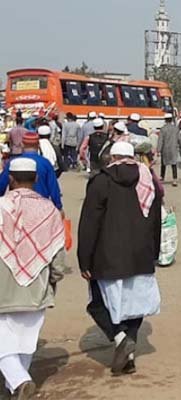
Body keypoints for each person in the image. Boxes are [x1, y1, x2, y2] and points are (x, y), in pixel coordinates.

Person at [78, 141, 162, 376]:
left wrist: (84, 259)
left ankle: (120, 338)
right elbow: (156, 219)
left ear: (112, 157)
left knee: (98, 303)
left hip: (107, 255)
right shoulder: (148, 180)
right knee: (135, 306)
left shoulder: (101, 181)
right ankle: (128, 354)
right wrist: (154, 252)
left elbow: (89, 223)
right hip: (140, 253)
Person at [0, 158, 65, 400]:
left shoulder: (1, 206)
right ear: (36, 179)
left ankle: (19, 381)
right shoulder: (49, 210)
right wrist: (54, 278)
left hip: (3, 285)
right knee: (26, 340)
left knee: (4, 339)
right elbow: (58, 252)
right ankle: (16, 387)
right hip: (37, 283)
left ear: (11, 178)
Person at [0, 132, 63, 211]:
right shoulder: (45, 163)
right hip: (41, 207)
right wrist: (58, 206)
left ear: (22, 144)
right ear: (38, 145)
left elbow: (1, 185)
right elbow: (53, 187)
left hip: (17, 207)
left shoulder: (13, 163)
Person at [157, 113, 181, 187]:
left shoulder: (163, 129)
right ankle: (174, 179)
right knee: (174, 164)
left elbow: (160, 140)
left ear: (165, 120)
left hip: (165, 148)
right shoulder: (175, 128)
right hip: (174, 148)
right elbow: (179, 138)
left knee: (163, 163)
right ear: (171, 120)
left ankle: (162, 177)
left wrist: (158, 150)